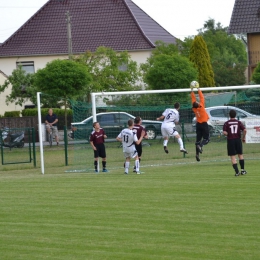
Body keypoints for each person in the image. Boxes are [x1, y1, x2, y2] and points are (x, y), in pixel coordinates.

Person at [223, 109, 247, 177]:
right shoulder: (238, 122)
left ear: (229, 115)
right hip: (238, 140)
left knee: (233, 156)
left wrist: (226, 133)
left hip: (231, 141)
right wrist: (243, 137)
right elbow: (245, 130)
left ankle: (237, 172)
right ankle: (243, 170)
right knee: (240, 155)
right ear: (235, 115)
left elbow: (224, 132)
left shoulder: (226, 123)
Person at [191, 87, 210, 162]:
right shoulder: (201, 107)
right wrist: (198, 89)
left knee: (198, 140)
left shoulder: (194, 109)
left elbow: (193, 100)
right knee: (207, 139)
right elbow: (202, 97)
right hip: (204, 124)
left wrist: (192, 91)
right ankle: (200, 146)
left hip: (198, 124)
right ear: (198, 104)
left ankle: (197, 154)